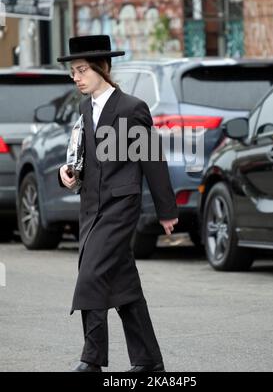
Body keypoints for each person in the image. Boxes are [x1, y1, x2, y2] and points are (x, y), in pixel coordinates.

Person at [57, 35, 178, 372]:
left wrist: (166, 211)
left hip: (119, 208)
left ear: (103, 68)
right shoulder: (84, 109)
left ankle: (91, 360)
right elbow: (81, 157)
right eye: (73, 72)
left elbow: (153, 161)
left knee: (91, 275)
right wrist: (66, 173)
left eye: (82, 70)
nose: (77, 77)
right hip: (90, 207)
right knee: (123, 287)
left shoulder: (131, 108)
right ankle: (149, 362)